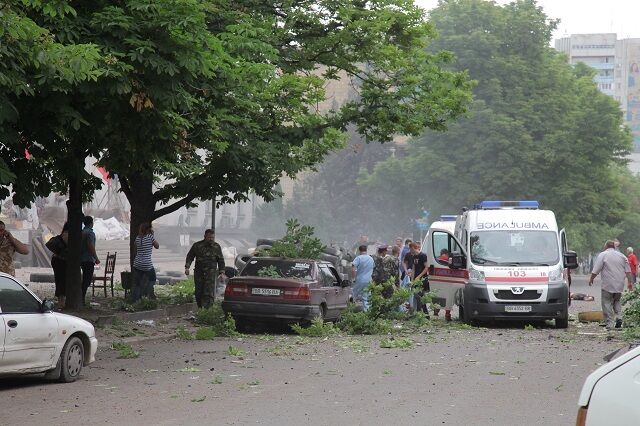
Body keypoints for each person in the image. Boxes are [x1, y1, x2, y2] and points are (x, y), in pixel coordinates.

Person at [589, 240, 633, 329]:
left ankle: (609, 323)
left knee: (606, 302)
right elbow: (628, 271)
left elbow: (597, 269)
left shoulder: (603, 255)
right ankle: (619, 317)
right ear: (614, 247)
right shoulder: (622, 256)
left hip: (607, 284)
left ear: (606, 246)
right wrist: (630, 282)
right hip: (619, 284)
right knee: (617, 301)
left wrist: (591, 278)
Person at [185, 229, 226, 308]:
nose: (211, 239)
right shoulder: (197, 246)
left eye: (212, 238)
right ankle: (200, 308)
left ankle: (208, 310)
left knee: (209, 293)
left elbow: (221, 260)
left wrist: (222, 272)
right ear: (204, 236)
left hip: (210, 274)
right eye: (209, 237)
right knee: (199, 292)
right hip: (199, 273)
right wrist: (187, 267)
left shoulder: (216, 246)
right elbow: (190, 256)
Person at [131, 222, 159, 302]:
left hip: (137, 263)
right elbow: (157, 246)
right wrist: (152, 236)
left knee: (137, 283)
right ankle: (145, 293)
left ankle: (136, 300)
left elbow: (135, 251)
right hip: (147, 264)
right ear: (147, 229)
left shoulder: (137, 238)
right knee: (152, 279)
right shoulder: (150, 237)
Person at [404, 242, 429, 315]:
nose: (410, 251)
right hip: (415, 279)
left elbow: (426, 267)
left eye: (410, 249)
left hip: (422, 279)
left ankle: (424, 313)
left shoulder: (423, 255)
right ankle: (420, 312)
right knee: (416, 295)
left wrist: (419, 276)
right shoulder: (414, 256)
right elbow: (413, 268)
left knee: (419, 295)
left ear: (413, 248)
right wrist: (412, 280)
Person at [80, 216, 100, 304]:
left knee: (84, 279)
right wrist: (96, 258)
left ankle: (81, 298)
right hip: (88, 259)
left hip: (81, 259)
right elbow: (90, 246)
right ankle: (81, 299)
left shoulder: (82, 232)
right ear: (91, 223)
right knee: (87, 280)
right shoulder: (90, 233)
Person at [50, 223, 69, 308]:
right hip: (61, 260)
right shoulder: (67, 235)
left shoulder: (63, 234)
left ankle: (60, 302)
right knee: (62, 281)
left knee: (59, 280)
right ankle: (62, 302)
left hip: (56, 259)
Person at [351, 244, 374, 310]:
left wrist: (353, 278)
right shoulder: (371, 258)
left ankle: (350, 310)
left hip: (360, 280)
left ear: (359, 250)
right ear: (366, 250)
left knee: (353, 294)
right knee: (366, 297)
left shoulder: (358, 258)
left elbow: (353, 269)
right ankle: (367, 312)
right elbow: (372, 268)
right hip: (369, 280)